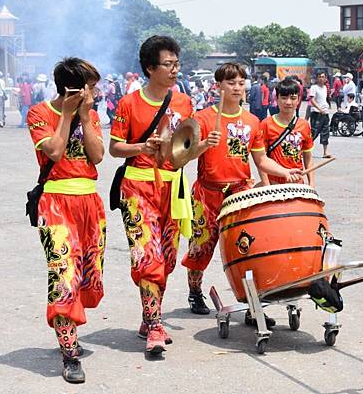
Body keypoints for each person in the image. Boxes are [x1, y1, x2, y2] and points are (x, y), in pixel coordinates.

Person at [181, 62, 303, 319]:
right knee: (201, 246)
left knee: (249, 248)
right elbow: (183, 156)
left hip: (240, 193)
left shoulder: (251, 121)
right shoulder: (202, 118)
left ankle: (254, 305)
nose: (237, 87)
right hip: (207, 192)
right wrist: (203, 144)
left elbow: (261, 160)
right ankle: (195, 290)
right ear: (218, 87)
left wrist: (285, 172)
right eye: (231, 83)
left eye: (240, 82)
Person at [109, 35, 194, 354]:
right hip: (138, 187)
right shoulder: (128, 104)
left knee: (168, 258)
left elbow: (187, 147)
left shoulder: (184, 103)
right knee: (149, 256)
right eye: (168, 64)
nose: (175, 70)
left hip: (172, 188)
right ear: (150, 68)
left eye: (177, 63)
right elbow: (114, 148)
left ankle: (149, 315)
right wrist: (141, 147)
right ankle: (155, 325)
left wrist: (199, 147)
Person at [27, 57, 105, 384]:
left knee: (87, 274)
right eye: (92, 87)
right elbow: (56, 152)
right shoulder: (38, 113)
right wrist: (68, 114)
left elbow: (98, 156)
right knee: (63, 273)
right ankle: (69, 352)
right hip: (56, 202)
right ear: (73, 88)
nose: (97, 93)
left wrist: (84, 116)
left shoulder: (94, 115)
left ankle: (70, 333)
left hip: (89, 201)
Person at [258, 77, 314, 187]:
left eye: (293, 98)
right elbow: (261, 159)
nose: (288, 102)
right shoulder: (266, 124)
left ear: (298, 100)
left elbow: (308, 157)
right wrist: (266, 185)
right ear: (277, 99)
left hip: (297, 184)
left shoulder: (304, 125)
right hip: (274, 184)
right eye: (284, 98)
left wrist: (311, 184)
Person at [309, 72, 332, 158]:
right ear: (317, 78)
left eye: (323, 77)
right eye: (320, 77)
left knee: (325, 132)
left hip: (325, 113)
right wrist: (319, 109)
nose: (321, 78)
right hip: (316, 113)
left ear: (326, 79)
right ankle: (306, 151)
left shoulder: (325, 88)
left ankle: (325, 152)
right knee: (314, 132)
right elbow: (312, 100)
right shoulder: (314, 87)